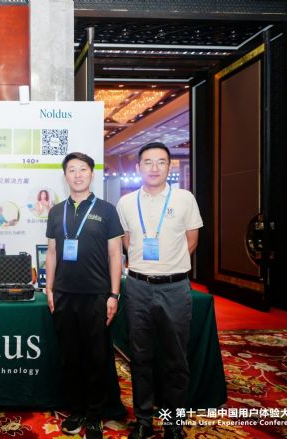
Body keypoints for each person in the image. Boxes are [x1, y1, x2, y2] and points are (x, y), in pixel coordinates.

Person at [116, 142, 203, 439]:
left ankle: (172, 422)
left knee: (175, 359)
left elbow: (192, 240)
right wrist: (145, 265)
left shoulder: (185, 198)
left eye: (161, 162)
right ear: (138, 167)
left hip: (175, 287)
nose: (154, 168)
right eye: (148, 162)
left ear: (169, 166)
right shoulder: (126, 202)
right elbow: (127, 240)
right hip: (138, 287)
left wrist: (170, 265)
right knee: (140, 357)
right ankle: (143, 420)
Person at [45, 152, 126, 439]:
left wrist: (114, 294)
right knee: (70, 356)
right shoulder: (56, 211)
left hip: (96, 295)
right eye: (71, 170)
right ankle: (76, 409)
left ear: (91, 174)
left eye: (82, 169)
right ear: (65, 176)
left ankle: (94, 414)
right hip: (64, 295)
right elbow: (52, 253)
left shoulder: (106, 210)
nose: (77, 174)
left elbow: (115, 254)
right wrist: (49, 289)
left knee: (96, 357)